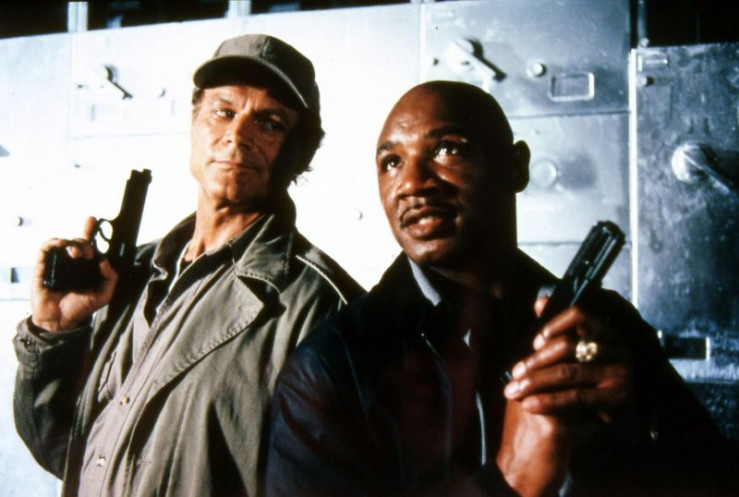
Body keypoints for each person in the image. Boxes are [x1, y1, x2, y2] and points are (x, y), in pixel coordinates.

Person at [265, 81, 734, 496]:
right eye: (391, 162)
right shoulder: (330, 367)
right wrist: (510, 479)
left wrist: (631, 430)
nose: (411, 184)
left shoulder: (605, 324)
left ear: (516, 166)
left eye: (447, 149)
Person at [13, 34, 362, 497]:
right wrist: (54, 333)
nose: (238, 135)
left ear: (304, 152)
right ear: (194, 122)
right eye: (223, 111)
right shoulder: (132, 274)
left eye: (270, 122)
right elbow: (65, 451)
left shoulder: (325, 309)